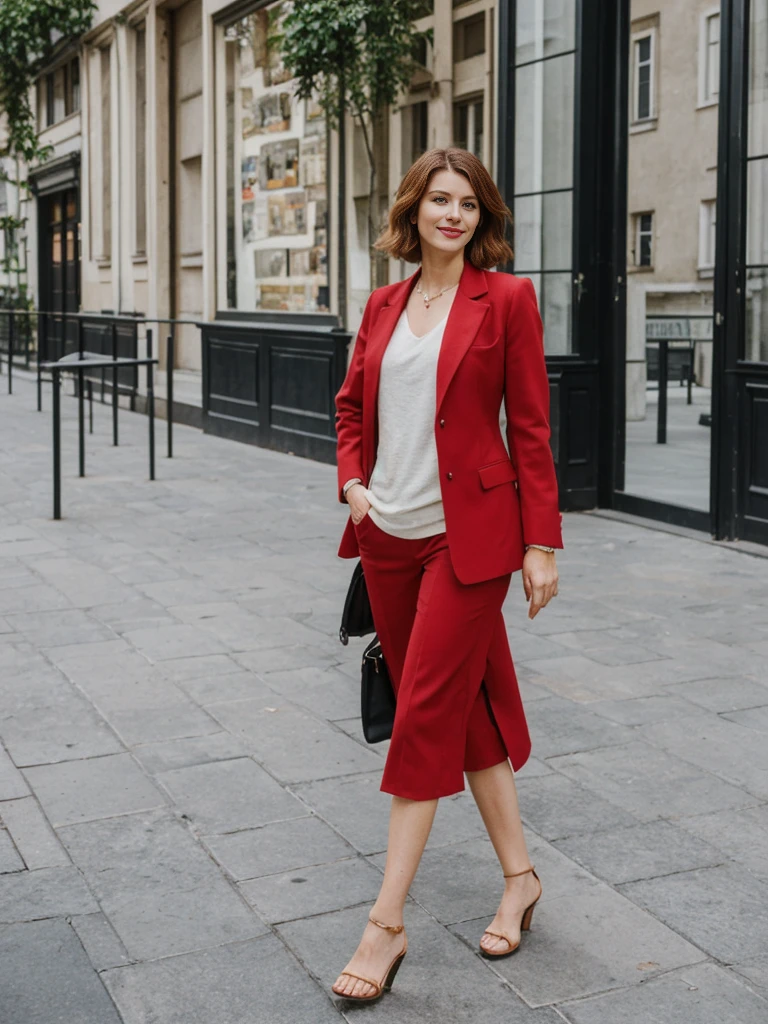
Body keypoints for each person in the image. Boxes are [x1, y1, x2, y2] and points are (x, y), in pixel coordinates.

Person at [332, 147, 562, 1004]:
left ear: (483, 217)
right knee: (464, 710)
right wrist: (353, 484)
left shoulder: (506, 300)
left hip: (468, 544)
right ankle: (521, 878)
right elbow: (353, 404)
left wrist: (542, 543)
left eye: (468, 203)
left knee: (424, 711)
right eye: (439, 200)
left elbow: (531, 427)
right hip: (387, 535)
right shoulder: (384, 303)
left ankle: (384, 925)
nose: (454, 215)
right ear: (414, 211)